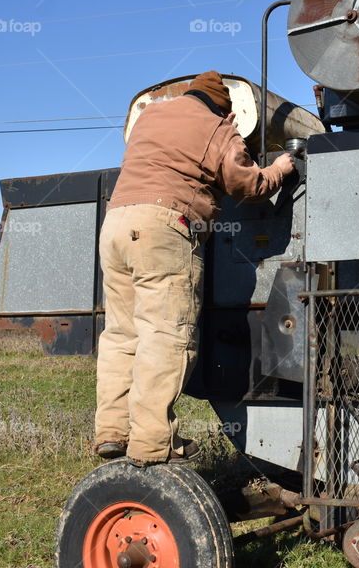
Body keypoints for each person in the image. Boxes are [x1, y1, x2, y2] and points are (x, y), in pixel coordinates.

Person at [93, 70, 295, 465]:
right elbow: (246, 185)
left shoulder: (149, 116)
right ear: (224, 106)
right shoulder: (218, 127)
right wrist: (281, 169)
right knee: (165, 333)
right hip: (164, 228)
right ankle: (152, 442)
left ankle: (112, 431)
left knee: (121, 334)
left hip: (116, 223)